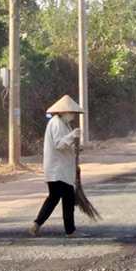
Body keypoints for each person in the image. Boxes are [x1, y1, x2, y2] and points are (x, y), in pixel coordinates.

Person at [29, 94, 86, 238]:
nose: (73, 116)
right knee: (68, 199)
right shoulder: (57, 123)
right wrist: (72, 137)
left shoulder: (63, 124)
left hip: (58, 168)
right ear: (63, 112)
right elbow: (59, 144)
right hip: (58, 168)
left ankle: (37, 224)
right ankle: (70, 230)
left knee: (54, 197)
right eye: (71, 112)